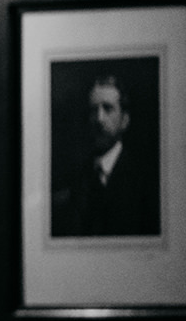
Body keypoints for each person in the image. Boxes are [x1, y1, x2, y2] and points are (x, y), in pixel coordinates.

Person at [52, 73, 159, 237]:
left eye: (108, 108)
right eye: (94, 110)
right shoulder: (73, 183)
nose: (99, 119)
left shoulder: (148, 181)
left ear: (125, 120)